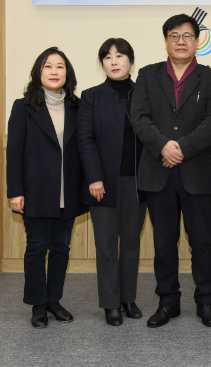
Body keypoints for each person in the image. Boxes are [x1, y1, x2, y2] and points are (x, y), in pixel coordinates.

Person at [131, 14, 211, 328]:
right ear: (166, 41)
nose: (181, 41)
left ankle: (206, 302)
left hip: (195, 172)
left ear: (197, 41)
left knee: (201, 241)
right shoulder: (146, 75)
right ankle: (168, 302)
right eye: (174, 36)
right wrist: (164, 147)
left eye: (187, 35)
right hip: (158, 172)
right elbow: (139, 118)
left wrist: (181, 147)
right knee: (164, 242)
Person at [6, 47, 86, 329]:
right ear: (39, 73)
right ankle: (38, 304)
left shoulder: (78, 107)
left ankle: (54, 300)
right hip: (36, 191)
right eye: (48, 66)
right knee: (37, 247)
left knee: (61, 247)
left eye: (60, 66)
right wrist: (15, 191)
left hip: (69, 191)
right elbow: (14, 152)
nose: (54, 71)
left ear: (68, 73)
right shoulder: (24, 106)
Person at [77, 38, 147, 326]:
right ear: (102, 63)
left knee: (131, 243)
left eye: (120, 56)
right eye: (107, 57)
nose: (114, 61)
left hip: (139, 181)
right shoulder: (91, 96)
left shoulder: (144, 94)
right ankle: (110, 304)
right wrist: (94, 176)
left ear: (131, 61)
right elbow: (85, 139)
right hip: (102, 183)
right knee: (106, 245)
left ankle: (128, 298)